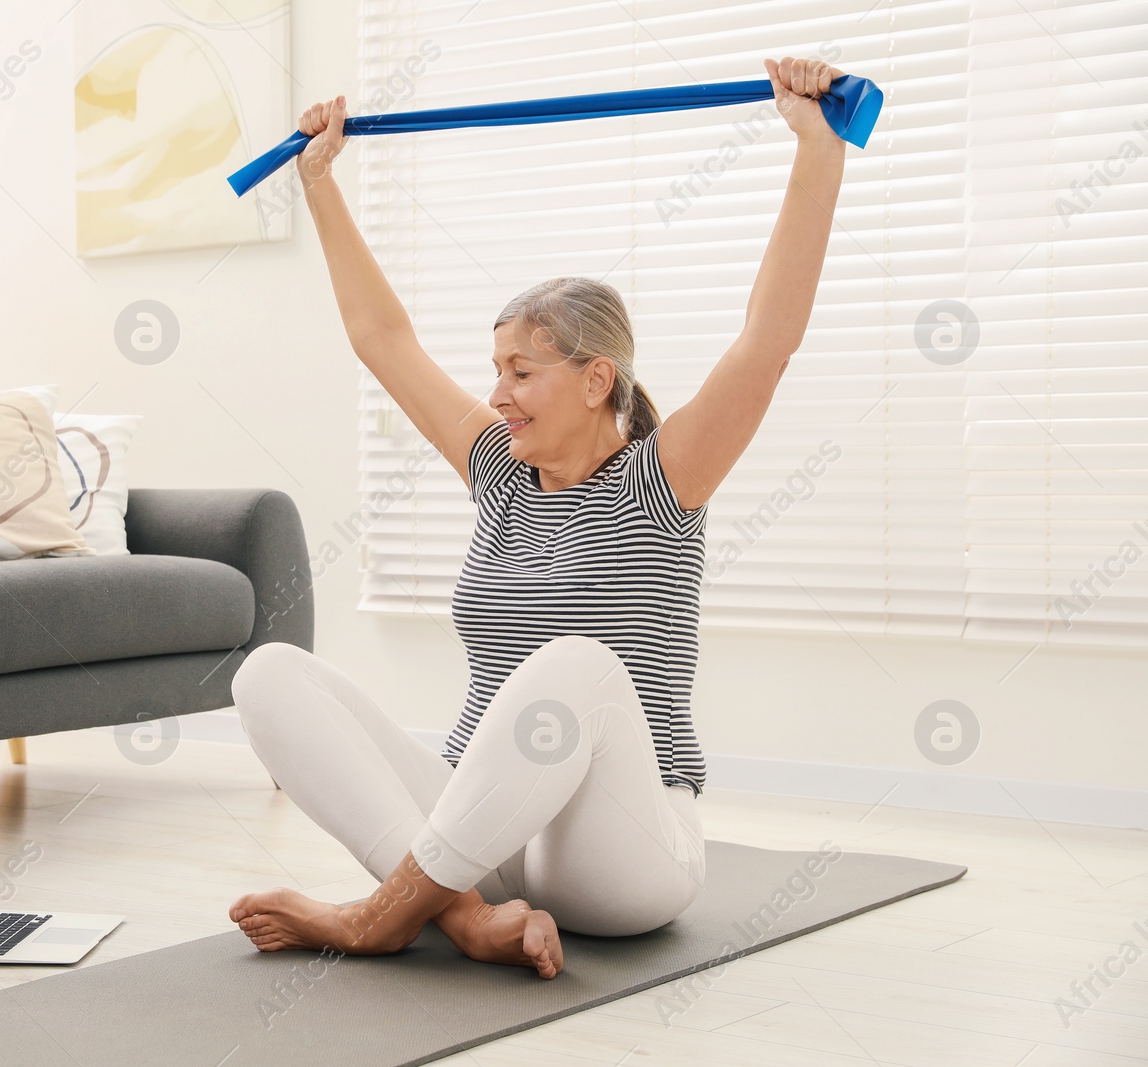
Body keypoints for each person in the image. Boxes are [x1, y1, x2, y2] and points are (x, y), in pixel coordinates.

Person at [228, 56, 847, 980]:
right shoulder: (501, 476)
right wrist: (319, 180)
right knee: (268, 672)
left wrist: (818, 146)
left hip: (622, 856)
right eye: (498, 369)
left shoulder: (659, 482)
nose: (499, 393)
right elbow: (382, 340)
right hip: (485, 840)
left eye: (523, 372)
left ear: (598, 380)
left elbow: (769, 340)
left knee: (578, 663)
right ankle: (469, 917)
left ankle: (378, 917)